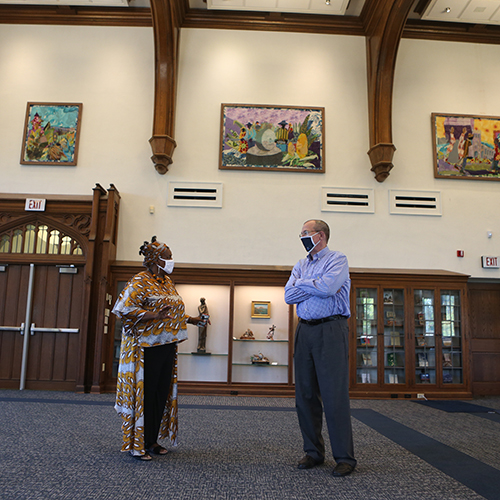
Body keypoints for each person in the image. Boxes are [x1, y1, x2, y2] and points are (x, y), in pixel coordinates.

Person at [112, 236, 205, 461]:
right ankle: (138, 444)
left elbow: (172, 313)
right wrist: (154, 315)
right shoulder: (139, 281)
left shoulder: (166, 283)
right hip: (145, 350)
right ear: (156, 259)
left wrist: (194, 320)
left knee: (160, 394)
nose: (172, 260)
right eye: (168, 257)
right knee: (146, 394)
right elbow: (123, 309)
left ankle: (152, 440)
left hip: (166, 345)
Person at [284, 219, 356, 477]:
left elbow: (328, 288)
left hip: (331, 329)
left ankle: (344, 458)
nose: (301, 236)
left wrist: (302, 284)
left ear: (320, 235)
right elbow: (288, 296)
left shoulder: (338, 259)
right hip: (304, 329)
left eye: (305, 233)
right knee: (304, 394)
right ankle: (313, 452)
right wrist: (312, 283)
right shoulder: (300, 264)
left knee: (334, 395)